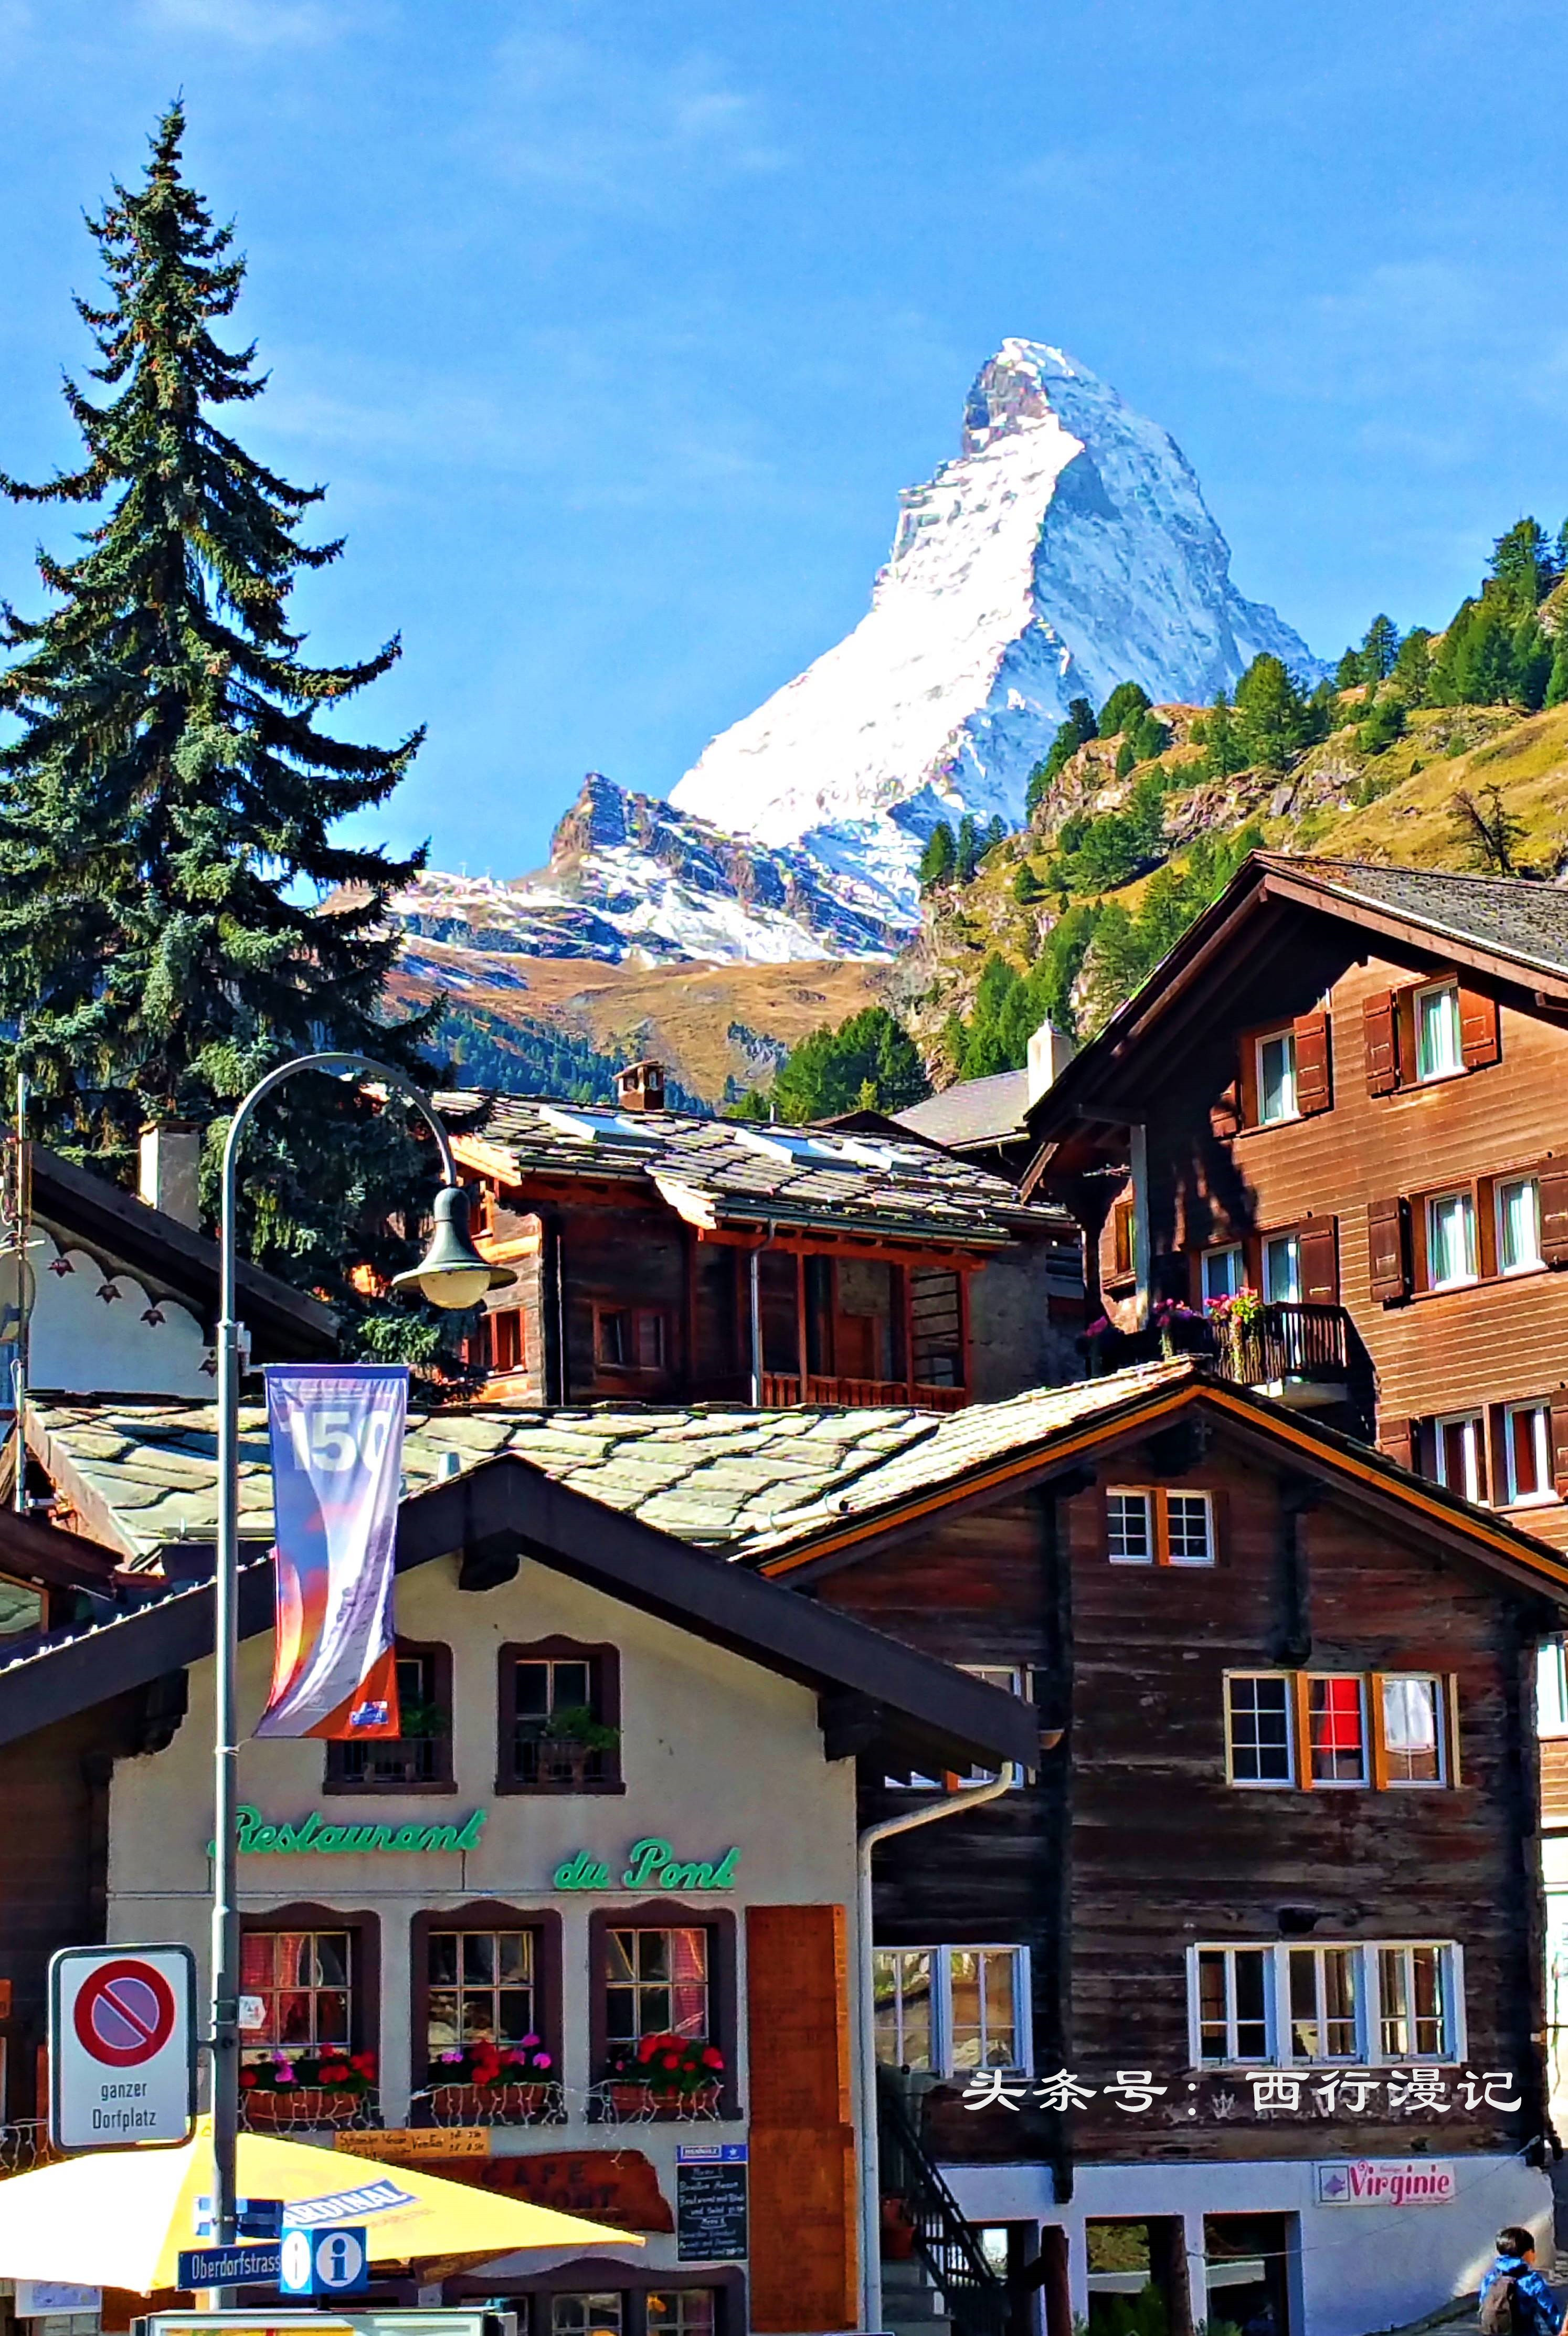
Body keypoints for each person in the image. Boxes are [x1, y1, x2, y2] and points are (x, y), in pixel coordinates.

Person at [1479, 2227, 1565, 2336]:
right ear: (1529, 2253)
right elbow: (1550, 2313)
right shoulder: (1532, 2280)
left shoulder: (1490, 2278)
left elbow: (1483, 2305)